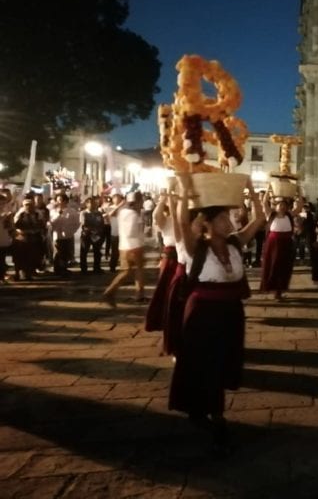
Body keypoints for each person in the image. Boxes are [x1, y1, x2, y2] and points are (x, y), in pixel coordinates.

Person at [169, 178, 265, 454]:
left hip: (231, 313)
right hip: (202, 314)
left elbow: (259, 219)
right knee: (202, 362)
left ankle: (210, 409)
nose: (230, 222)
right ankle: (213, 413)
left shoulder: (236, 244)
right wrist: (185, 195)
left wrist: (251, 192)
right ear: (208, 224)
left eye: (229, 217)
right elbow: (183, 225)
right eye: (223, 219)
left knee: (222, 362)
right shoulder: (195, 249)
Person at [145, 191, 186, 353]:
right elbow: (156, 215)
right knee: (167, 293)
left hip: (185, 258)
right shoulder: (166, 220)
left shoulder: (187, 220)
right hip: (170, 258)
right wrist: (164, 199)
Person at [103, 192, 146, 306]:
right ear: (137, 202)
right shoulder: (135, 215)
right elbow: (134, 231)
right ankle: (110, 291)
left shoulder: (122, 213)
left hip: (123, 246)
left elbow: (111, 215)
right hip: (135, 246)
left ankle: (139, 293)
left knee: (129, 270)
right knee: (133, 270)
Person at [260, 194, 295, 300]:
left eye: (284, 205)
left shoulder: (289, 215)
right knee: (273, 265)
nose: (282, 207)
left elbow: (299, 206)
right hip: (273, 244)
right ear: (275, 206)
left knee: (284, 266)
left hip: (286, 243)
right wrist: (268, 189)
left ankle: (280, 290)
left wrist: (299, 192)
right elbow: (264, 202)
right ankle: (273, 289)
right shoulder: (270, 215)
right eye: (280, 205)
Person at [12, 196, 45, 281]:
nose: (29, 207)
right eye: (26, 205)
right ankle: (18, 273)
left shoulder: (38, 214)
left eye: (31, 205)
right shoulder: (20, 214)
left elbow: (42, 224)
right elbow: (15, 225)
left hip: (34, 237)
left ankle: (29, 273)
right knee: (20, 257)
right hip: (22, 237)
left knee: (32, 256)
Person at [49, 193, 79, 278]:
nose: (59, 202)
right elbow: (51, 223)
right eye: (58, 200)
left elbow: (76, 223)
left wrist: (72, 231)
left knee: (66, 253)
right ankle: (57, 269)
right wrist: (59, 214)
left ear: (66, 201)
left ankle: (64, 268)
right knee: (58, 253)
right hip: (57, 235)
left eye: (61, 200)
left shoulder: (72, 211)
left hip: (68, 235)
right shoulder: (53, 211)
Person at [79, 196, 106, 273]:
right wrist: (91, 230)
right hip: (86, 235)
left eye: (94, 203)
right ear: (87, 204)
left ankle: (97, 268)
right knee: (84, 252)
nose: (93, 204)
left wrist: (99, 233)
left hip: (97, 236)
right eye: (90, 203)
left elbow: (101, 223)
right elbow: (83, 224)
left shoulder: (98, 213)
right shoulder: (83, 213)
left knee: (97, 252)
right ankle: (84, 269)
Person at [105, 194, 123, 273]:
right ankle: (112, 266)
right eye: (115, 198)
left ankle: (123, 267)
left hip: (123, 233)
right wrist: (119, 206)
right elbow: (111, 214)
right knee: (114, 251)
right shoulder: (110, 208)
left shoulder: (124, 208)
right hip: (114, 233)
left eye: (119, 198)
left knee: (123, 252)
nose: (117, 200)